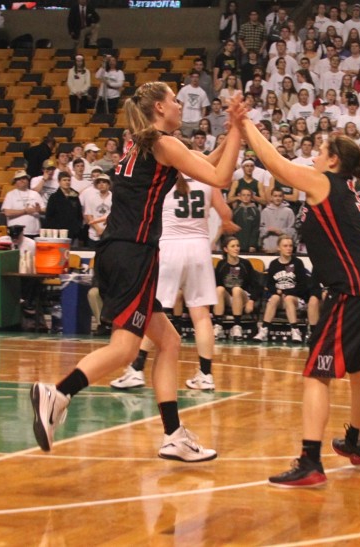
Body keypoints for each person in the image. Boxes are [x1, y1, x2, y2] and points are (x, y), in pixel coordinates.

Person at [29, 81, 241, 462]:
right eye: (175, 101)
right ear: (160, 107)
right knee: (125, 348)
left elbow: (205, 164)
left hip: (115, 252)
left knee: (170, 342)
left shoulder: (142, 146)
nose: (180, 106)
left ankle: (174, 435)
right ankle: (58, 393)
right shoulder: (163, 143)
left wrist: (231, 133)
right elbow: (221, 178)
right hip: (134, 255)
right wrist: (240, 131)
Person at [229, 95, 360, 488]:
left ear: (333, 160)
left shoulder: (325, 183)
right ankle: (354, 442)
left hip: (356, 290)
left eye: (321, 150)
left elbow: (275, 164)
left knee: (315, 373)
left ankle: (310, 462)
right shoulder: (345, 192)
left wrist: (245, 123)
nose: (316, 156)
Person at [110, 168, 236, 390]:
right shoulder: (206, 179)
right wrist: (225, 223)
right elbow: (225, 213)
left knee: (154, 311)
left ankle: (137, 369)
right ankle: (205, 375)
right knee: (201, 315)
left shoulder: (162, 180)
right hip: (199, 245)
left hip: (169, 246)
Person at [214, 235, 258, 340]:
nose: (236, 248)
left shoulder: (245, 264)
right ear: (226, 249)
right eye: (233, 246)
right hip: (228, 298)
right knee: (219, 289)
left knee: (236, 289)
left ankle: (237, 326)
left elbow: (256, 285)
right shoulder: (221, 264)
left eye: (237, 246)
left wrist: (252, 301)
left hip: (242, 297)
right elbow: (216, 284)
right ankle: (218, 326)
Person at [44, 171, 84, 244]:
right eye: (64, 180)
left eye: (68, 180)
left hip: (73, 233)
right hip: (58, 234)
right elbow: (49, 217)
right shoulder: (54, 197)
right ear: (59, 182)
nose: (67, 182)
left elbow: (79, 215)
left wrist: (77, 228)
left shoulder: (75, 196)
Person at [2, 171, 43, 238]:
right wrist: (25, 211)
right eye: (19, 179)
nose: (22, 180)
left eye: (24, 178)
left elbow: (43, 209)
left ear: (27, 180)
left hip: (34, 232)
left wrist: (39, 210)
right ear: (15, 182)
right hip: (16, 232)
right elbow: (7, 212)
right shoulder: (10, 195)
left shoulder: (35, 194)